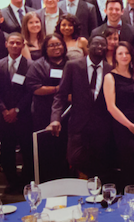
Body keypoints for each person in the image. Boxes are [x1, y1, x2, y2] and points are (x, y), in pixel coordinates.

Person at [48, 35, 112, 181]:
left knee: (99, 166)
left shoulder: (110, 70)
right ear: (88, 46)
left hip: (101, 127)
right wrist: (55, 118)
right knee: (75, 160)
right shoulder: (73, 66)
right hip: (78, 125)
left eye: (103, 45)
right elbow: (61, 95)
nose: (100, 47)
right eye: (96, 44)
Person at [0, 33, 33, 194]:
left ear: (23, 45)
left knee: (27, 150)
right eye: (12, 43)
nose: (15, 45)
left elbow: (30, 91)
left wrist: (16, 110)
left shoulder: (30, 65)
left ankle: (25, 182)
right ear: (6, 44)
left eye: (18, 43)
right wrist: (3, 110)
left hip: (23, 116)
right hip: (4, 117)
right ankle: (11, 181)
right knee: (7, 151)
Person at [25, 34, 69, 179]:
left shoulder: (72, 63)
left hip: (68, 114)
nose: (56, 48)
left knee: (65, 150)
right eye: (52, 45)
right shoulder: (38, 65)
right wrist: (59, 89)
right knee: (46, 151)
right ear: (45, 48)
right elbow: (34, 88)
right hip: (43, 114)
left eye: (58, 44)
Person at [103, 41, 134, 189]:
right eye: (120, 53)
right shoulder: (110, 77)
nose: (124, 56)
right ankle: (129, 199)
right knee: (129, 164)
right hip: (122, 126)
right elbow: (111, 107)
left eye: (127, 53)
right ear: (115, 57)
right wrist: (129, 125)